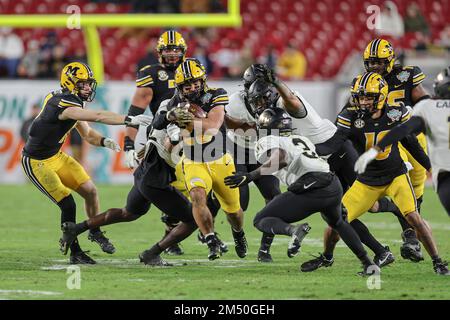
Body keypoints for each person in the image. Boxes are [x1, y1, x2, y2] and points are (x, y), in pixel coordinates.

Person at [235, 64, 397, 265]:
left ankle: (395, 209)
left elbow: (290, 106)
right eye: (254, 98)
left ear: (270, 90)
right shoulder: (271, 115)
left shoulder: (286, 103)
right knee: (338, 215)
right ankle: (376, 253)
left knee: (363, 207)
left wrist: (277, 80)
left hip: (337, 151)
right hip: (320, 161)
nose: (257, 104)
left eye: (260, 97)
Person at [311, 72, 449, 275]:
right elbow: (335, 142)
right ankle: (327, 257)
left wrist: (430, 167)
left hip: (396, 176)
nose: (363, 102)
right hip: (366, 181)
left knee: (414, 218)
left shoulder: (395, 113)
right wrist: (311, 151)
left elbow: (411, 144)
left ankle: (438, 262)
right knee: (335, 221)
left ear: (382, 96)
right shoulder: (351, 116)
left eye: (368, 97)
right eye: (360, 97)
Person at [21, 62, 153, 264]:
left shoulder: (71, 102)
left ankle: (95, 231)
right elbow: (98, 116)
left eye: (88, 84)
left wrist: (104, 141)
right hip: (37, 162)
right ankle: (75, 251)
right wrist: (129, 119)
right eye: (83, 84)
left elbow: (88, 134)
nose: (88, 88)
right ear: (71, 83)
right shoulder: (64, 105)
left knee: (90, 191)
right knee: (68, 203)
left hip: (56, 156)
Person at [225, 107, 380, 276]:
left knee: (260, 219)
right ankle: (368, 264)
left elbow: (280, 158)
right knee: (338, 223)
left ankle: (294, 231)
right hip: (332, 183)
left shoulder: (268, 140)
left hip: (312, 185)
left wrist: (250, 176)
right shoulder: (299, 138)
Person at [152, 59, 248, 260]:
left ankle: (238, 234)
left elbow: (213, 126)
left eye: (195, 82)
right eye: (187, 84)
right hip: (193, 160)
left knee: (234, 212)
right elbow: (158, 124)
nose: (192, 87)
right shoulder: (174, 101)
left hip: (219, 160)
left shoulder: (216, 93)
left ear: (202, 80)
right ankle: (211, 238)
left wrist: (187, 119)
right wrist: (169, 115)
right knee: (197, 196)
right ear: (180, 86)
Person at [355, 66, 450, 219]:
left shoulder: (428, 107)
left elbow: (405, 130)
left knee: (413, 184)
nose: (374, 65)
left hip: (446, 176)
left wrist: (376, 148)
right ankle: (410, 227)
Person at [124, 30, 187, 255]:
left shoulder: (192, 70)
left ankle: (195, 224)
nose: (172, 54)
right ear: (159, 52)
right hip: (162, 137)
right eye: (168, 50)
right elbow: (135, 112)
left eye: (176, 50)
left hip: (192, 134)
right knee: (164, 184)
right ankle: (175, 229)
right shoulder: (151, 73)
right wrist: (128, 143)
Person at [223, 64, 282, 262]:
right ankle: (238, 232)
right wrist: (244, 125)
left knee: (274, 196)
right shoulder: (236, 102)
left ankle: (265, 249)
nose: (262, 101)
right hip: (237, 149)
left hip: (261, 151)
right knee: (240, 201)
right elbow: (223, 122)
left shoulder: (278, 103)